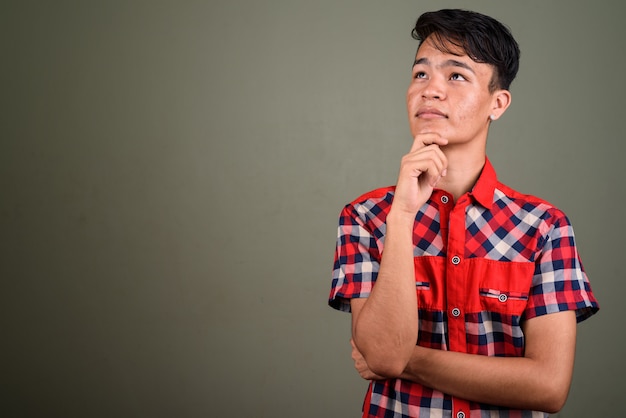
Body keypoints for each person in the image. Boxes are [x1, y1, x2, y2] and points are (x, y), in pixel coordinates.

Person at [328, 9, 599, 418]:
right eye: (421, 74)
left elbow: (548, 386)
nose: (431, 90)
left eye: (456, 76)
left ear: (498, 103)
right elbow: (383, 356)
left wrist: (409, 359)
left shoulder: (544, 228)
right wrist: (401, 215)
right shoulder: (365, 217)